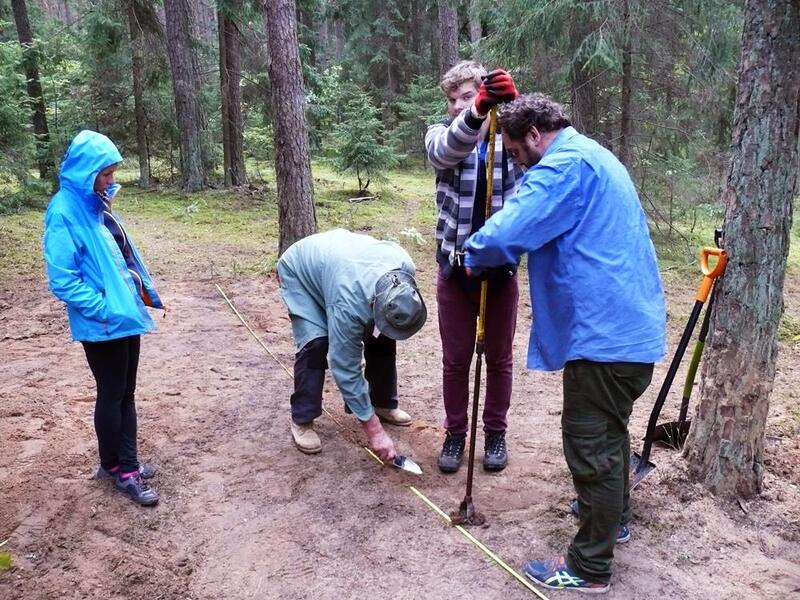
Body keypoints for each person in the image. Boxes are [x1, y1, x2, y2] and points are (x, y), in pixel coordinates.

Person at [463, 94, 666, 594]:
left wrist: (474, 252)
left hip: (604, 336)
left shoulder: (564, 167)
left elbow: (510, 228)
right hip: (629, 331)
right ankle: (612, 519)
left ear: (534, 135)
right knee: (609, 434)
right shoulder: (595, 154)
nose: (514, 163)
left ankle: (588, 568)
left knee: (590, 443)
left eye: (513, 153)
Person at [43, 130, 165, 507]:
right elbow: (63, 279)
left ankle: (112, 463)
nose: (112, 181)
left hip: (124, 315)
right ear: (86, 171)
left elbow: (116, 256)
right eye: (106, 174)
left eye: (113, 173)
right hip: (105, 322)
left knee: (122, 393)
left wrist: (130, 299)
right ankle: (125, 471)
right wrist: (104, 308)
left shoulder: (95, 204)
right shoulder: (63, 211)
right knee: (116, 396)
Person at [425, 60, 525, 473]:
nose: (458, 105)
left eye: (467, 95)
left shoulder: (512, 141)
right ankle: (455, 435)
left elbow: (540, 162)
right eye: (453, 100)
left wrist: (517, 111)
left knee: (499, 358)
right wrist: (477, 110)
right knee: (456, 360)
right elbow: (445, 151)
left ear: (486, 91)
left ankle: (495, 434)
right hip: (455, 270)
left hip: (500, 272)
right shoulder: (441, 135)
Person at [277, 228, 427, 461]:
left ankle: (381, 402)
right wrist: (374, 430)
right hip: (301, 271)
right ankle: (302, 419)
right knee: (316, 344)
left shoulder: (403, 266)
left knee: (383, 335)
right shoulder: (349, 304)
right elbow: (345, 366)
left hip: (338, 264)